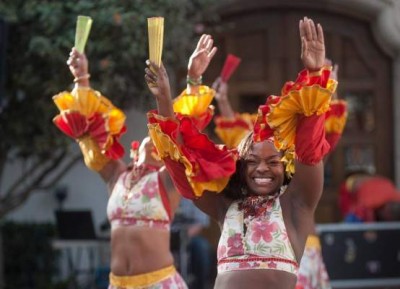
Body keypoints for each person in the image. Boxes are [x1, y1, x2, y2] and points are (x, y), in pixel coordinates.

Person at [145, 17, 337, 289]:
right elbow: (179, 158)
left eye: (272, 162)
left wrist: (315, 73)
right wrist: (164, 98)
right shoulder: (225, 205)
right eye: (252, 162)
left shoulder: (296, 204)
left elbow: (309, 150)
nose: (262, 169)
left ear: (285, 168)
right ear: (240, 167)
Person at [52, 48, 188, 288]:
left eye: (160, 142)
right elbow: (88, 131)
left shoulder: (167, 180)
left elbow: (172, 139)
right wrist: (81, 76)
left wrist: (164, 97)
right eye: (151, 136)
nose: (156, 140)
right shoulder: (117, 175)